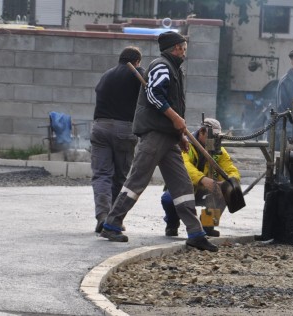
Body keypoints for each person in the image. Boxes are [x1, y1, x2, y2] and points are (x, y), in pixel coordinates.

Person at [99, 31, 218, 252]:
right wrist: (175, 118)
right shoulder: (162, 66)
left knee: (182, 185)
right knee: (137, 180)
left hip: (169, 137)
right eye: (183, 47)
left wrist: (180, 135)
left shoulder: (173, 69)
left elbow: (167, 101)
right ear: (176, 48)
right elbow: (154, 95)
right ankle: (112, 223)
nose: (185, 51)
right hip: (155, 134)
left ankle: (195, 233)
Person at [91, 46, 143, 234]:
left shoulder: (106, 75)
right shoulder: (137, 73)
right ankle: (113, 219)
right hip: (124, 129)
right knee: (120, 176)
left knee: (102, 174)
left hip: (100, 127)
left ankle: (102, 216)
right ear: (137, 61)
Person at [161, 118, 241, 237]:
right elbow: (185, 166)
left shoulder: (220, 151)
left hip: (206, 191)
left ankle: (207, 225)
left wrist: (227, 183)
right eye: (212, 137)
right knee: (168, 199)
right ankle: (172, 224)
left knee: (228, 191)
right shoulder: (185, 144)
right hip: (185, 188)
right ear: (202, 132)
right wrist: (203, 179)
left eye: (217, 137)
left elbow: (231, 170)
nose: (215, 140)